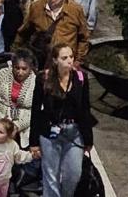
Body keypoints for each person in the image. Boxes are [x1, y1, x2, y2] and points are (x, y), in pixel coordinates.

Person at [30, 43, 94, 197]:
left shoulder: (81, 78)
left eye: (71, 57)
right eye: (64, 58)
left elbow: (85, 109)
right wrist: (34, 142)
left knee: (73, 174)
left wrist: (88, 139)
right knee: (50, 176)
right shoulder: (43, 78)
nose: (69, 61)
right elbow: (36, 110)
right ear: (55, 60)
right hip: (50, 132)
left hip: (74, 132)